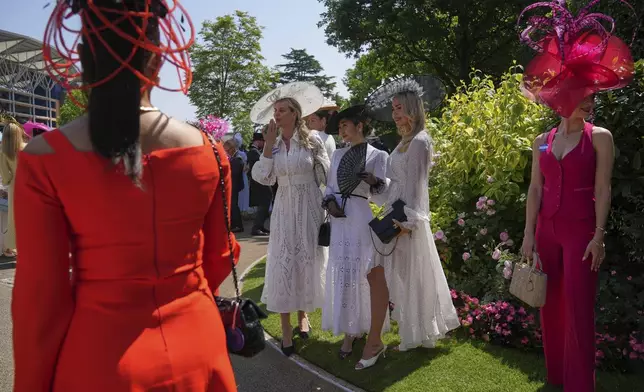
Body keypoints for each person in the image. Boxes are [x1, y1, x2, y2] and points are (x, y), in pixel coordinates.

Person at [12, 1, 239, 391]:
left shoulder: (44, 159)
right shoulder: (211, 151)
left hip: (100, 361)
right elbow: (218, 259)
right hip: (200, 349)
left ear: (85, 59)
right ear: (158, 63)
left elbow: (41, 300)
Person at [518, 2, 635, 390]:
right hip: (547, 230)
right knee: (550, 307)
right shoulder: (542, 141)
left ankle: (580, 383)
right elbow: (535, 188)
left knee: (579, 309)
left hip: (580, 231)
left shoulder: (600, 137)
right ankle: (557, 377)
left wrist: (599, 235)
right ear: (564, 96)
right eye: (584, 95)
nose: (590, 101)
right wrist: (528, 236)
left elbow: (603, 187)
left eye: (592, 96)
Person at [357, 75, 459, 370]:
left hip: (405, 222)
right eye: (393, 109)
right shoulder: (402, 142)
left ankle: (378, 340)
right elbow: (394, 188)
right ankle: (380, 338)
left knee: (401, 278)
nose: (395, 113)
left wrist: (408, 224)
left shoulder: (420, 142)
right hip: (391, 215)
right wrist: (377, 184)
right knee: (380, 276)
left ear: (413, 107)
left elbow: (416, 191)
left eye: (399, 107)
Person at [250, 82, 330, 356]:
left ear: (295, 113)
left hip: (309, 206)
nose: (277, 115)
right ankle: (285, 331)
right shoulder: (272, 143)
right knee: (284, 261)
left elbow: (327, 174)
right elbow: (263, 177)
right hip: (284, 207)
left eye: (282, 110)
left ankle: (303, 315)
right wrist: (268, 147)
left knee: (305, 260)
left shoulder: (312, 140)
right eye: (275, 110)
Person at [320, 105, 389, 359]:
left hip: (360, 217)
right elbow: (328, 187)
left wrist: (374, 181)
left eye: (345, 126)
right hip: (339, 220)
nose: (341, 132)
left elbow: (382, 197)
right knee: (342, 272)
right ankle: (348, 331)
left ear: (359, 126)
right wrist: (329, 203)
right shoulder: (337, 155)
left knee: (362, 273)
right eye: (338, 128)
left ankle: (364, 329)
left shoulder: (378, 156)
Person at [0, 122, 27, 257]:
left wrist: (8, 182)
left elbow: (5, 175)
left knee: (14, 219)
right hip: (31, 186)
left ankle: (12, 247)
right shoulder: (28, 148)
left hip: (14, 187)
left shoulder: (3, 152)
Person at [247, 131, 271, 236]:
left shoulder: (255, 151)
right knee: (263, 204)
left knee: (265, 203)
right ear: (258, 141)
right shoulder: (254, 152)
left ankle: (260, 226)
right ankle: (256, 227)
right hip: (259, 183)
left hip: (260, 182)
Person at [224, 138, 245, 233]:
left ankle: (238, 225)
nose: (226, 152)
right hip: (233, 185)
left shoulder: (237, 158)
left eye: (227, 150)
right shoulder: (235, 158)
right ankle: (233, 224)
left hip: (234, 185)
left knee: (234, 205)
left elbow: (235, 173)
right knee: (232, 205)